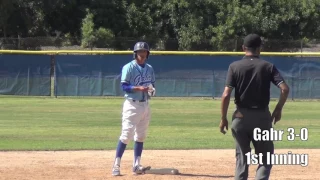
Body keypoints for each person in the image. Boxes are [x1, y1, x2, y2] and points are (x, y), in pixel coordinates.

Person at [219, 34, 289, 180]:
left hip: (240, 117)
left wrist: (223, 118)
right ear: (259, 49)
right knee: (265, 158)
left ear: (243, 48)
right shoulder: (268, 66)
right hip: (262, 118)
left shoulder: (234, 66)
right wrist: (278, 109)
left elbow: (226, 95)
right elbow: (284, 89)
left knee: (242, 159)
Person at [112, 41, 156, 176]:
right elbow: (124, 86)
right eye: (139, 52)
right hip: (132, 105)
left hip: (145, 105)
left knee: (141, 136)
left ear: (147, 54)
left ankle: (136, 165)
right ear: (135, 54)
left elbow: (152, 85)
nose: (142, 54)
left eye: (144, 52)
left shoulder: (150, 68)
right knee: (126, 135)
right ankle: (116, 165)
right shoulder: (128, 67)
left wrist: (152, 91)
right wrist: (138, 88)